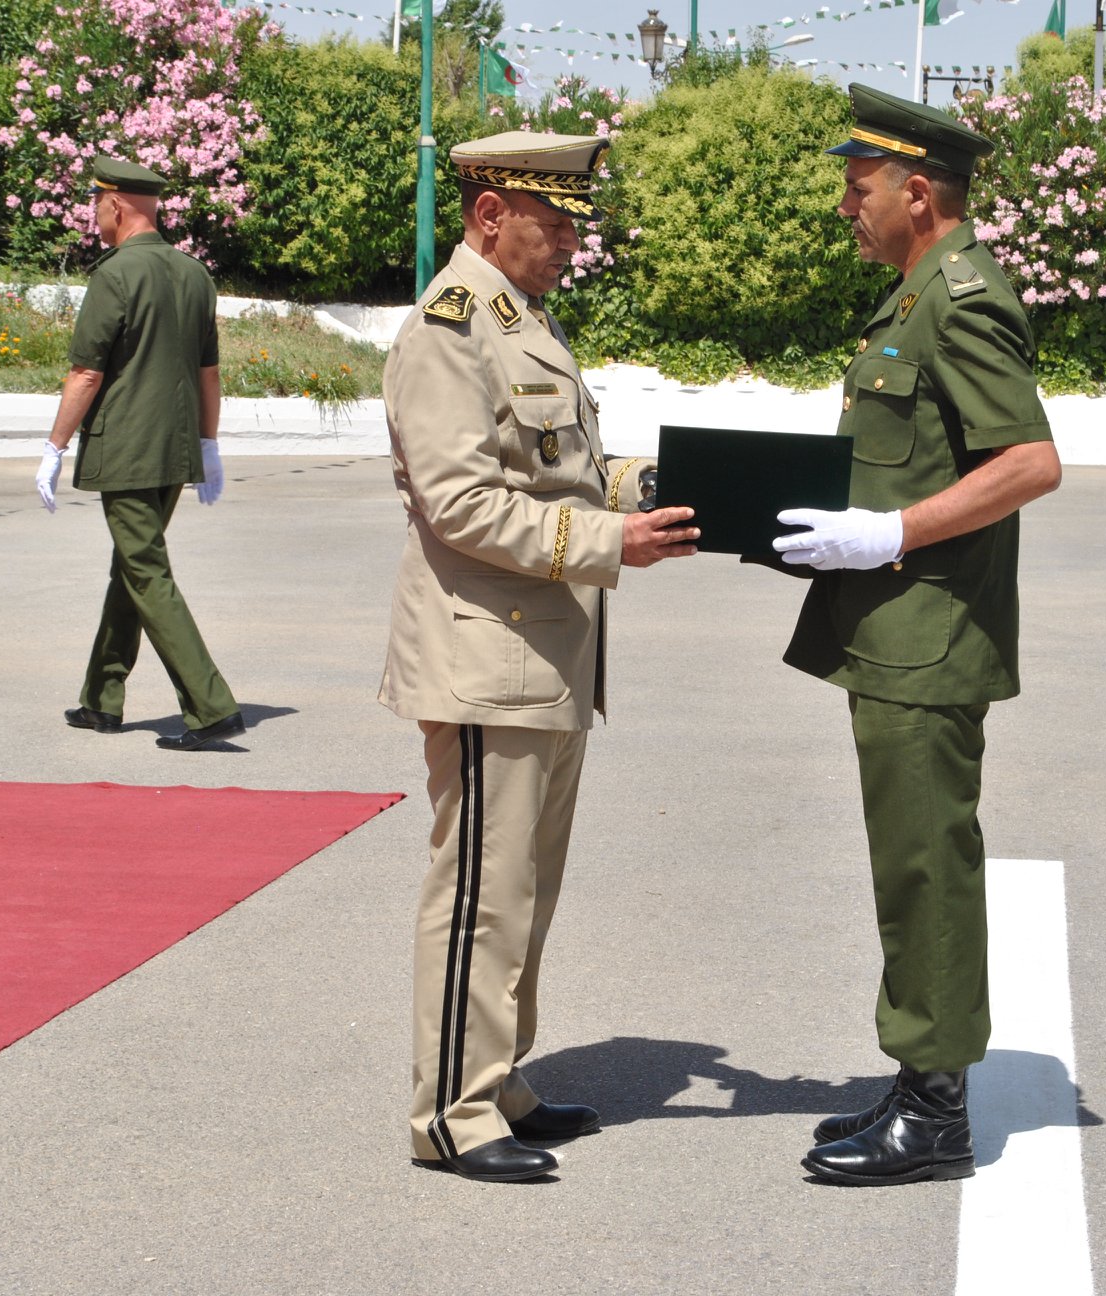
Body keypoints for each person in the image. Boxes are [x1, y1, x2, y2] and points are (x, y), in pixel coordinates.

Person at [380, 131, 697, 1183]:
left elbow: (564, 471)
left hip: (544, 654)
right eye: (553, 224)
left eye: (572, 226)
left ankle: (498, 1078)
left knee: (525, 890)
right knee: (479, 888)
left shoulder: (520, 320)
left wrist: (651, 490)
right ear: (488, 217)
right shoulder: (447, 330)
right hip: (487, 654)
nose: (569, 245)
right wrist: (609, 544)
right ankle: (449, 1116)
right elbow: (460, 502)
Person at [766, 84, 1061, 1186]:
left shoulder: (959, 297)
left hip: (928, 638)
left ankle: (936, 1112)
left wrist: (886, 531)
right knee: (908, 864)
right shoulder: (913, 298)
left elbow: (1029, 461)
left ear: (916, 191)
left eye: (859, 189)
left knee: (926, 865)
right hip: (895, 631)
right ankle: (917, 1079)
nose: (848, 207)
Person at [34, 155, 244, 753]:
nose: (93, 212)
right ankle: (102, 697)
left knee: (146, 570)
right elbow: (209, 374)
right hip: (175, 451)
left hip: (126, 449)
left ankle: (209, 706)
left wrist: (54, 446)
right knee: (132, 565)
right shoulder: (193, 274)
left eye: (96, 203)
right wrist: (208, 443)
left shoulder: (116, 274)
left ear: (116, 205)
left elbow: (84, 372)